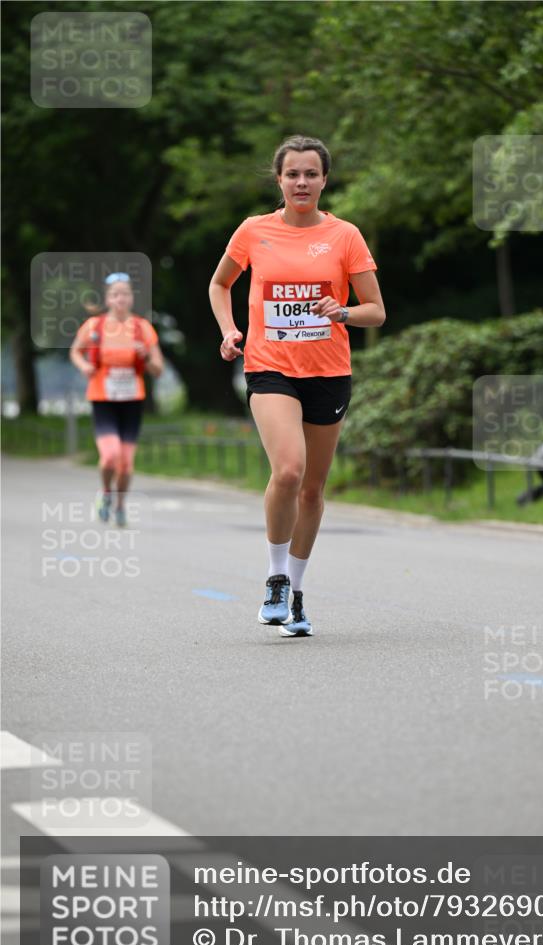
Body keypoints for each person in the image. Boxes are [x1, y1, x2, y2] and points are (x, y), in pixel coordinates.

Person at [210, 135, 385, 636]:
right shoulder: (253, 231)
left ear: (324, 180)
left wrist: (343, 310)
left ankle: (299, 593)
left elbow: (376, 310)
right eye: (293, 174)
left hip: (328, 372)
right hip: (270, 368)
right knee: (288, 471)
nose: (301, 182)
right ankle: (275, 580)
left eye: (311, 174)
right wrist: (228, 329)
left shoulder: (345, 236)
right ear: (279, 179)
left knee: (311, 490)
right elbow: (220, 283)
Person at [69, 273, 164, 526]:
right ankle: (106, 493)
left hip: (132, 400)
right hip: (104, 399)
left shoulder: (142, 328)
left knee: (126, 464)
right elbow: (75, 351)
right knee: (110, 456)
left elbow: (158, 368)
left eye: (125, 293)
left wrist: (145, 356)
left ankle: (120, 505)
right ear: (107, 299)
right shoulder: (94, 327)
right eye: (115, 294)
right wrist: (83, 367)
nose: (120, 298)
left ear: (132, 298)